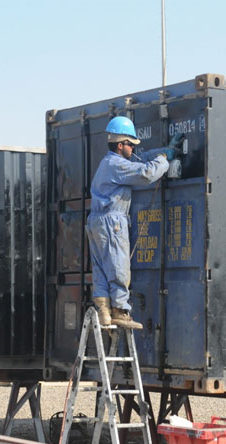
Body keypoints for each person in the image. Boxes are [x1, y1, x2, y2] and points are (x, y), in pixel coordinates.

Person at [86, 116, 185, 328]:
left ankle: (104, 311)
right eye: (131, 145)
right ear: (121, 145)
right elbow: (146, 173)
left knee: (102, 268)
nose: (133, 149)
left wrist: (164, 151)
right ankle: (121, 311)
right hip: (113, 220)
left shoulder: (110, 162)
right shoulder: (115, 165)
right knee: (119, 264)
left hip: (96, 221)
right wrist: (164, 161)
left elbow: (139, 160)